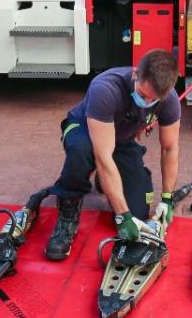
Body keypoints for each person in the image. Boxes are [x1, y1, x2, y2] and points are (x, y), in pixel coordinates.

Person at [45, 50, 182, 260]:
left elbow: (169, 148)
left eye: (153, 101)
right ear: (136, 74)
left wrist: (166, 199)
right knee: (82, 151)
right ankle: (68, 208)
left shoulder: (169, 99)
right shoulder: (106, 88)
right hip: (86, 130)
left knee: (138, 213)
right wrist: (123, 216)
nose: (145, 103)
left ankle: (106, 181)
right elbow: (103, 156)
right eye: (143, 96)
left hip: (122, 138)